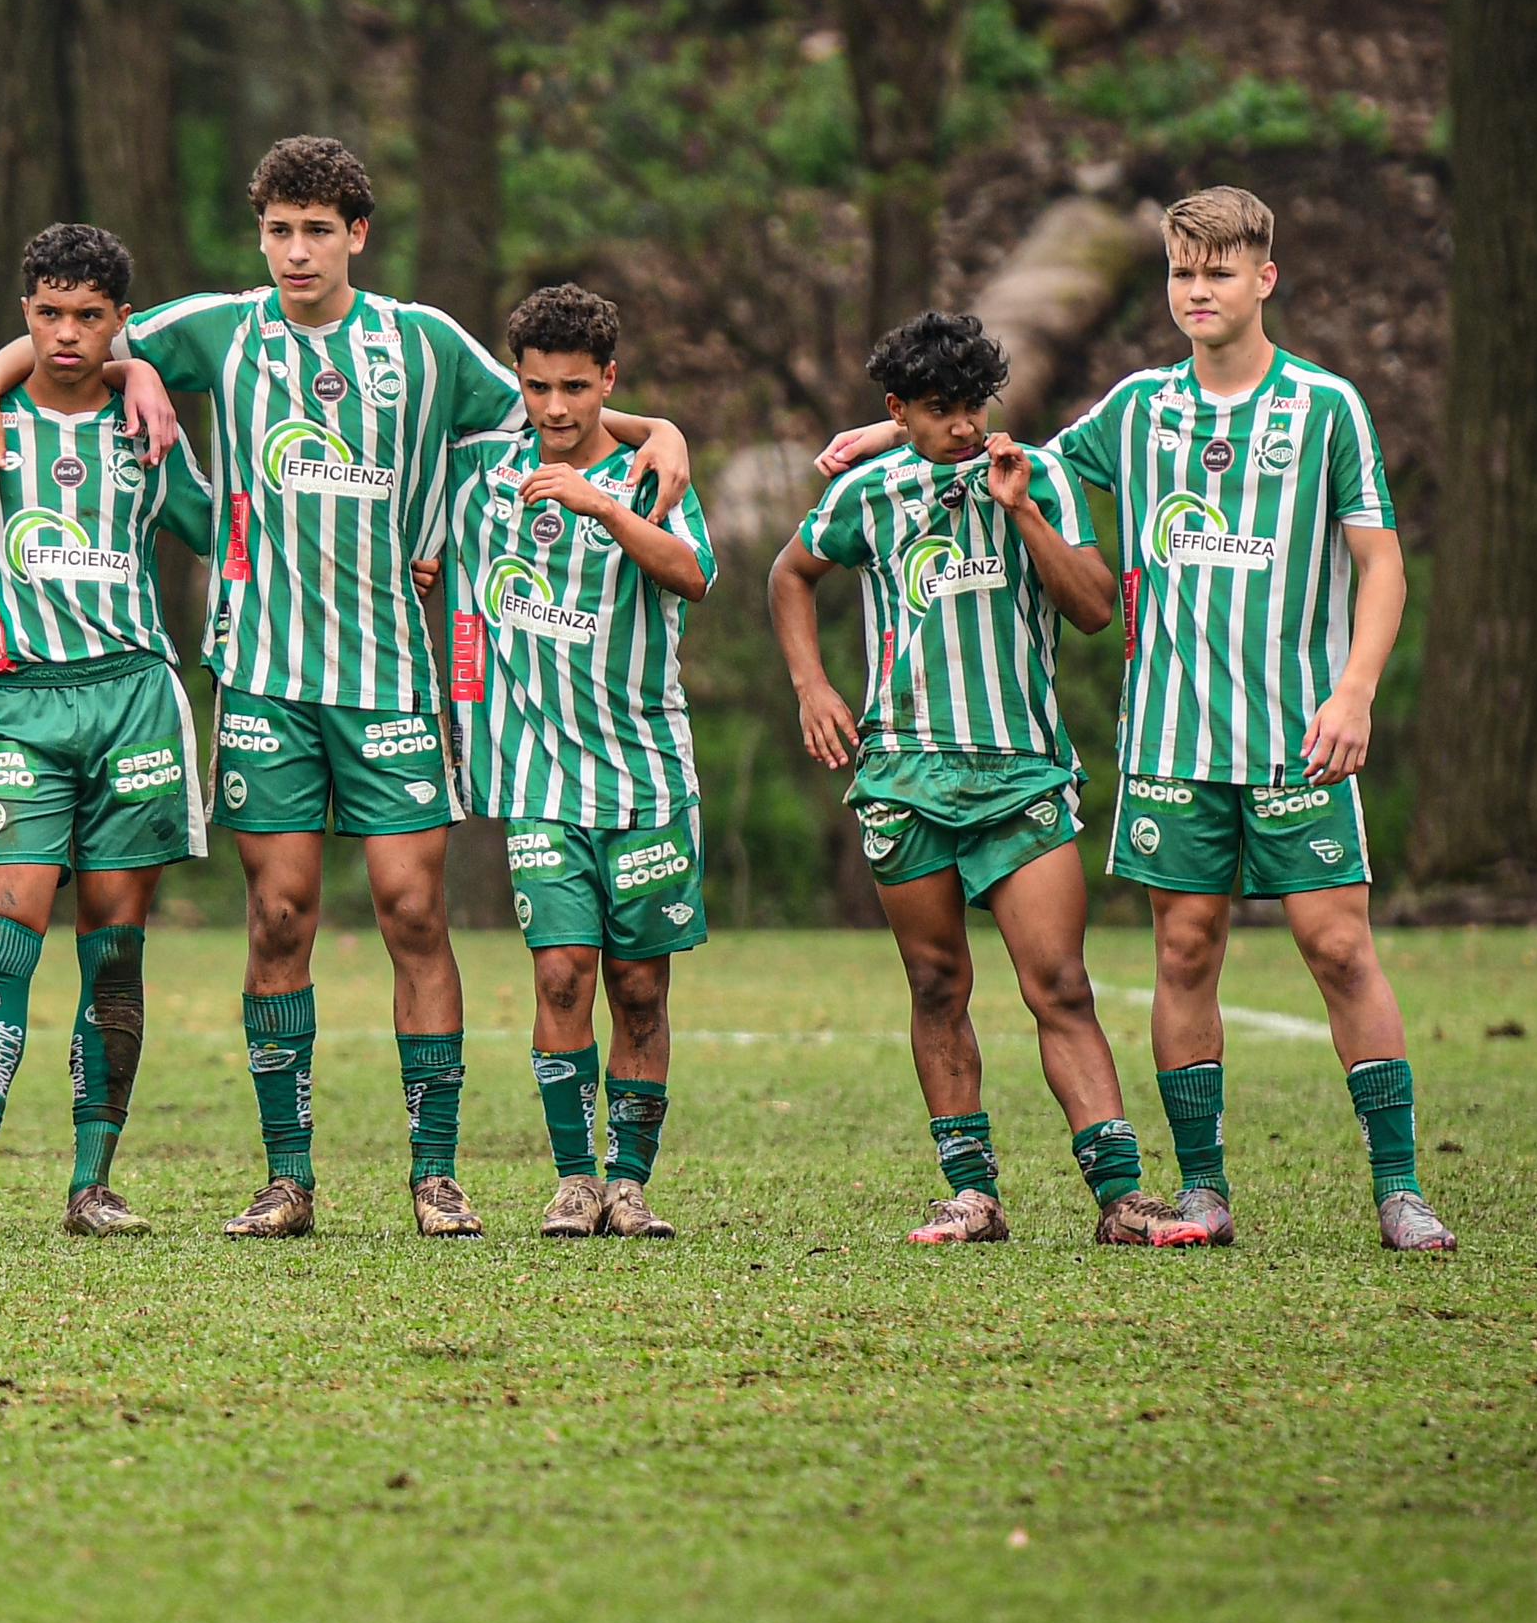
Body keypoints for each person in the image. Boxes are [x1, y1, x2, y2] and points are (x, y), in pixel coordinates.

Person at [0, 135, 688, 1238]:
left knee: (411, 913)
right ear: (261, 234)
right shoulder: (218, 328)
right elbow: (76, 339)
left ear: (356, 233)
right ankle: (286, 1176)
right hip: (262, 682)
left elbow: (551, 414)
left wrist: (656, 426)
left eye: (317, 229)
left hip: (391, 679)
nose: (296, 251)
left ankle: (433, 1174)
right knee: (280, 917)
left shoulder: (423, 344)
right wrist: (5, 386)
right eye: (278, 229)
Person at [813, 187, 1450, 1253]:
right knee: (1184, 950)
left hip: (1298, 730)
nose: (1196, 290)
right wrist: (893, 422)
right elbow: (999, 450)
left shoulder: (1324, 407)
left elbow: (1376, 560)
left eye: (1218, 270)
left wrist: (1354, 689)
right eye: (1179, 272)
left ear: (1262, 279)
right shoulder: (1138, 408)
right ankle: (1200, 1189)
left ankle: (1399, 1188)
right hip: (1169, 740)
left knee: (1336, 946)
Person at [773, 309, 1169, 1247]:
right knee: (936, 983)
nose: (959, 426)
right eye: (938, 409)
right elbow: (791, 574)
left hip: (1019, 776)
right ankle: (972, 1193)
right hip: (904, 774)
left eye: (972, 406)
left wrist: (1022, 509)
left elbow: (1093, 610)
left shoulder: (1038, 477)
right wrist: (814, 687)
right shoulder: (870, 494)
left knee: (1058, 985)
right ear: (898, 410)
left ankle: (1122, 1196)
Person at [0, 221, 217, 1237]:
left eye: (88, 316)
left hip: (133, 702)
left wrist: (145, 371)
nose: (64, 333)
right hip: (21, 706)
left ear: (119, 321)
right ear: (23, 312)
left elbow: (230, 532)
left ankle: (90, 1184)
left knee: (112, 954)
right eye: (46, 313)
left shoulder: (147, 427)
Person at [448, 285, 716, 1241]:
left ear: (610, 380)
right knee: (562, 975)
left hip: (647, 778)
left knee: (639, 987)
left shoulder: (652, 476)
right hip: (540, 783)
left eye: (573, 387)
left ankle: (630, 1183)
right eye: (536, 388)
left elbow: (692, 575)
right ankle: (572, 1178)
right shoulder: (483, 476)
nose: (554, 409)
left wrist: (602, 503)